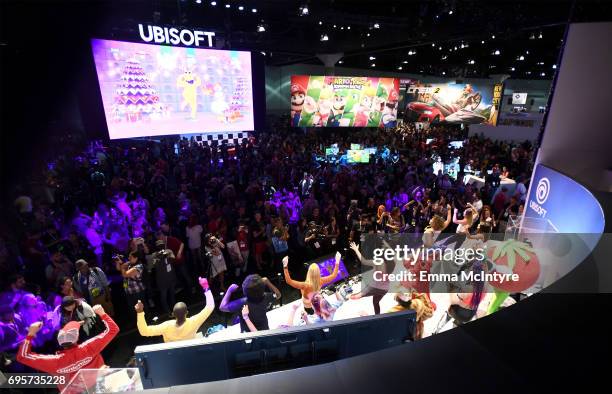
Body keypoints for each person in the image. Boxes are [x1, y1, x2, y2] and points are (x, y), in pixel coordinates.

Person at [16, 304, 119, 392]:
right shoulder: (88, 347)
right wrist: (102, 313)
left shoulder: (54, 361)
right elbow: (113, 330)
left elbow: (23, 356)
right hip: (101, 387)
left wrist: (30, 333)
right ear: (77, 337)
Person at [135, 277, 214, 343]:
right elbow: (210, 306)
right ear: (186, 313)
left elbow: (144, 331)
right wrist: (206, 288)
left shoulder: (166, 326)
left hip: (172, 357)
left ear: (173, 314)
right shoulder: (193, 322)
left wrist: (140, 312)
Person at [149, 239, 177, 314]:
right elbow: (151, 266)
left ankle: (175, 309)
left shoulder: (168, 251)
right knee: (163, 296)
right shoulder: (154, 255)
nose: (161, 247)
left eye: (162, 245)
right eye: (159, 246)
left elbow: (174, 259)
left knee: (172, 295)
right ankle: (167, 311)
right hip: (162, 280)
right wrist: (159, 257)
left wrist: (167, 255)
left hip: (171, 277)